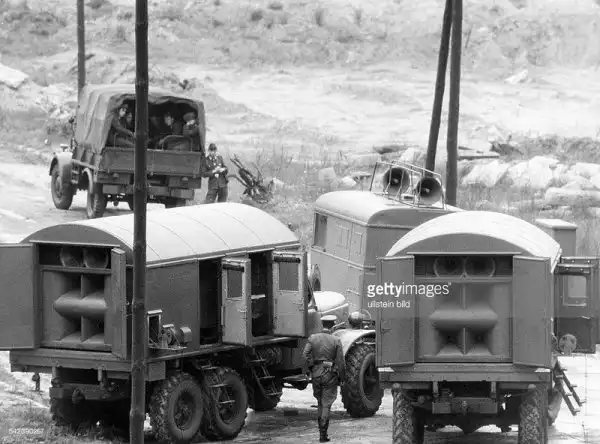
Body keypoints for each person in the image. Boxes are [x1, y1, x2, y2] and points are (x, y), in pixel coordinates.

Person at [302, 315, 345, 443]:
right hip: (330, 375)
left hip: (316, 374)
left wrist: (312, 366)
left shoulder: (312, 338)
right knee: (326, 404)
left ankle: (322, 434)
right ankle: (323, 435)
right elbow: (341, 362)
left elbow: (305, 355)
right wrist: (342, 378)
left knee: (320, 402)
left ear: (322, 324)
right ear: (333, 325)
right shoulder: (336, 340)